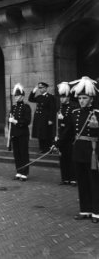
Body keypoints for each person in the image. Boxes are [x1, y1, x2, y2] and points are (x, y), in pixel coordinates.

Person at [69, 76, 99, 223]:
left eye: (85, 97)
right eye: (79, 98)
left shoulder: (97, 114)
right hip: (78, 152)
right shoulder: (75, 113)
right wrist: (57, 143)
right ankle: (85, 210)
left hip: (93, 153)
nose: (81, 100)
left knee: (94, 183)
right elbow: (69, 133)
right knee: (82, 182)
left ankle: (96, 212)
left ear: (91, 99)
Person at [55, 82, 77, 186]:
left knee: (71, 158)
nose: (61, 99)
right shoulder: (60, 108)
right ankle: (65, 178)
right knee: (63, 159)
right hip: (62, 136)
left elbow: (71, 124)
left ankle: (73, 178)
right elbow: (58, 124)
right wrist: (56, 136)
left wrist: (64, 119)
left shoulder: (73, 107)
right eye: (60, 97)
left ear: (68, 97)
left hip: (70, 138)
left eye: (64, 97)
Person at [8, 83, 32, 181]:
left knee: (23, 153)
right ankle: (19, 171)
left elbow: (27, 121)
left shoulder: (26, 107)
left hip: (22, 134)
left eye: (17, 95)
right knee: (17, 154)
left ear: (22, 96)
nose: (16, 97)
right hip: (15, 133)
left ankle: (25, 173)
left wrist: (16, 121)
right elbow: (10, 120)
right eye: (15, 95)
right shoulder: (13, 107)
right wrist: (9, 120)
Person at [28, 82, 56, 153]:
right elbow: (30, 99)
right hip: (39, 119)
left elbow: (52, 109)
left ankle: (48, 148)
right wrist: (34, 91)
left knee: (46, 134)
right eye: (39, 88)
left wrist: (50, 119)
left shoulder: (50, 97)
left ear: (45, 88)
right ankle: (42, 148)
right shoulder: (39, 97)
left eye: (41, 88)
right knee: (40, 134)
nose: (40, 89)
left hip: (46, 119)